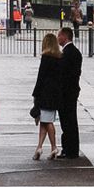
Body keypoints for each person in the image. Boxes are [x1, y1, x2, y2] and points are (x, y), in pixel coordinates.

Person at [30, 31, 63, 161]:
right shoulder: (59, 58)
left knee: (47, 122)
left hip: (44, 93)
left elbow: (41, 77)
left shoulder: (46, 57)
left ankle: (54, 147)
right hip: (54, 94)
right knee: (44, 121)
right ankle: (39, 147)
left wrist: (35, 93)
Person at [56, 26, 83, 160]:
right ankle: (72, 149)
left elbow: (63, 75)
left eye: (59, 35)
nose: (57, 38)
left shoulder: (67, 53)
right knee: (71, 121)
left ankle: (69, 149)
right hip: (72, 91)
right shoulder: (75, 52)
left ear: (65, 37)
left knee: (67, 122)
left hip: (66, 93)